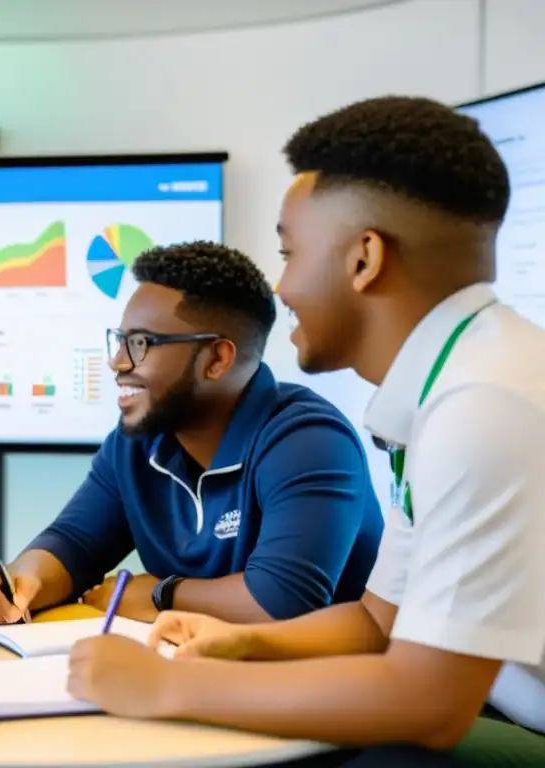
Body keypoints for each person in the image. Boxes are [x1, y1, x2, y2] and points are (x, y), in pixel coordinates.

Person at [66, 95, 545, 765]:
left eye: (290, 253)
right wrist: (242, 642)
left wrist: (173, 685)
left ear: (363, 259)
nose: (281, 288)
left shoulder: (486, 405)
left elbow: (429, 705)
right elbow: (380, 622)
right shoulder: (448, 389)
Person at [0, 242, 384, 627]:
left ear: (216, 360)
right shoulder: (137, 440)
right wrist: (22, 582)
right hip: (197, 678)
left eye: (142, 343)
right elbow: (74, 545)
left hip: (313, 695)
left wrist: (160, 593)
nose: (117, 362)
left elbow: (282, 603)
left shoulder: (308, 440)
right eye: (121, 341)